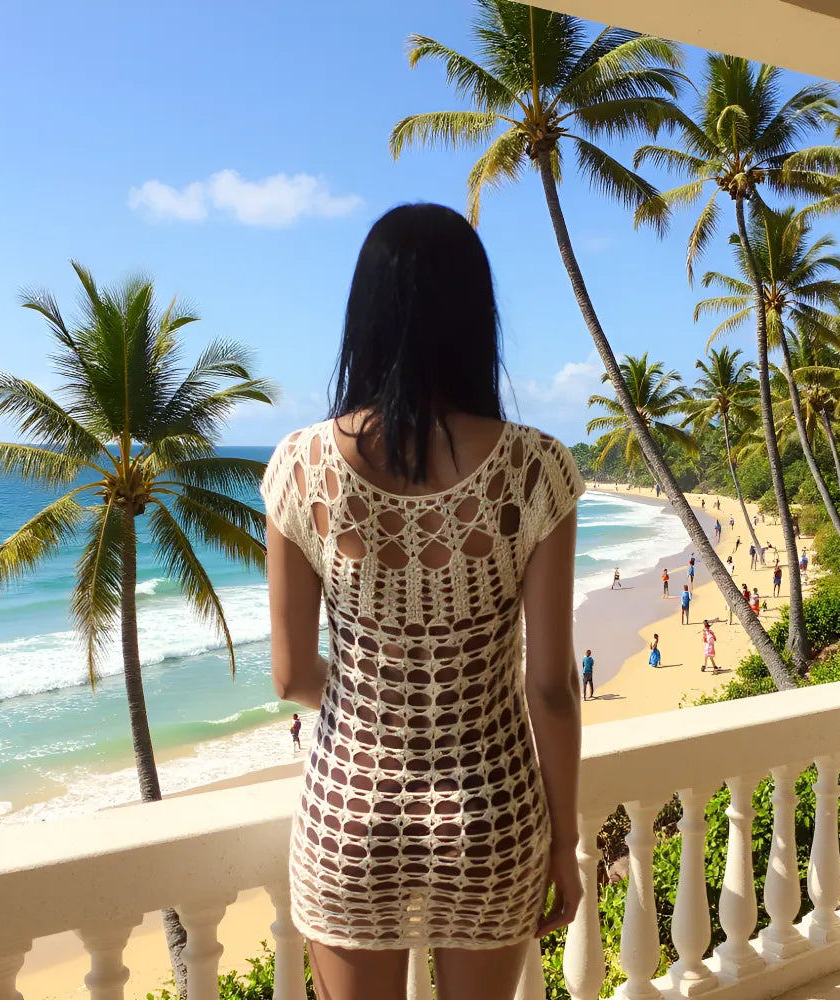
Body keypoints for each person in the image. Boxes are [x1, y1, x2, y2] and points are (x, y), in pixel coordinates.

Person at [262, 204, 582, 997]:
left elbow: (291, 673)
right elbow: (548, 685)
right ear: (477, 317)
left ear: (364, 313)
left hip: (351, 813)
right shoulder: (536, 470)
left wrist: (383, 706)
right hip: (492, 815)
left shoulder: (302, 467)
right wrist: (564, 841)